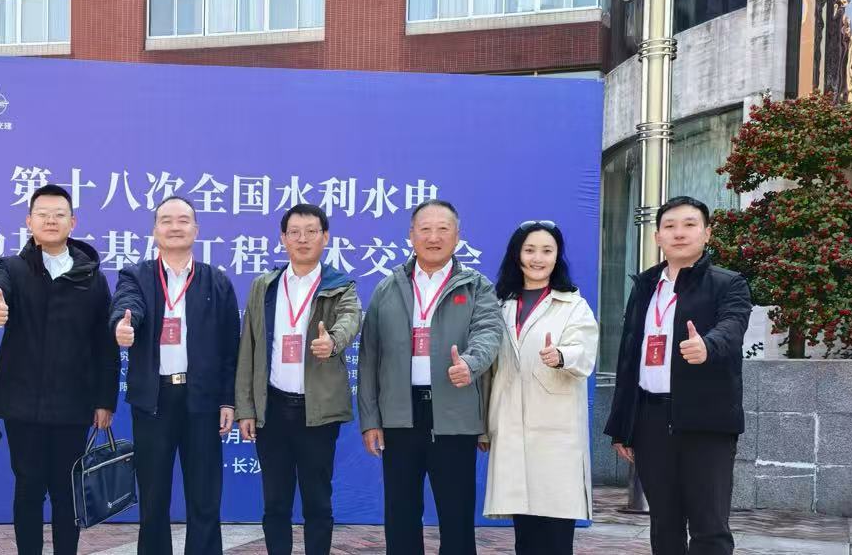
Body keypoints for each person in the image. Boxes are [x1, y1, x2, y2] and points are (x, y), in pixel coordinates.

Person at [0, 184, 120, 555]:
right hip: (23, 403)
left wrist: (105, 400)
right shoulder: (13, 268)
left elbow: (105, 343)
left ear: (73, 222)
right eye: (43, 214)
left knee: (66, 491)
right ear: (29, 221)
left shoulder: (91, 276)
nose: (51, 221)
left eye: (59, 214)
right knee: (28, 488)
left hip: (74, 404)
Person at [605, 196, 752, 555]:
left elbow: (733, 327)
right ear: (657, 236)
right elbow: (628, 357)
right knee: (664, 524)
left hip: (706, 420)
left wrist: (707, 346)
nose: (679, 233)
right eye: (669, 226)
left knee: (709, 526)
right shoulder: (645, 286)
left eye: (689, 225)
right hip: (651, 420)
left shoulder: (728, 283)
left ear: (707, 233)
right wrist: (622, 425)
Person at [357, 199, 504, 555]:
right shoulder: (388, 288)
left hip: (454, 414)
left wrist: (470, 363)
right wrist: (371, 420)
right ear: (411, 235)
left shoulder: (476, 287)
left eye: (443, 229)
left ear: (457, 235)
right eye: (425, 229)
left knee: (456, 515)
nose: (433, 237)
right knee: (401, 514)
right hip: (400, 415)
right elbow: (369, 357)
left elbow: (489, 333)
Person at [111, 196, 240, 555]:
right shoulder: (136, 276)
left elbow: (231, 347)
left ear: (196, 229)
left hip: (202, 401)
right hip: (154, 401)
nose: (175, 227)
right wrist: (123, 325)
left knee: (205, 497)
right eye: (166, 220)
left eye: (183, 220)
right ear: (155, 231)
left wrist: (228, 400)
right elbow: (127, 305)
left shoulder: (216, 281)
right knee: (153, 499)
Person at [234, 203, 360, 555]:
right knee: (275, 502)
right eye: (295, 232)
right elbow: (249, 348)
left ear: (325, 237)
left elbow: (351, 318)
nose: (303, 239)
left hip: (317, 412)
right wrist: (246, 408)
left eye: (311, 232)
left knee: (317, 501)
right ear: (283, 238)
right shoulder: (265, 286)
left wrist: (332, 340)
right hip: (273, 408)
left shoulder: (340, 285)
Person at [480, 220, 598, 555]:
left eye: (547, 250)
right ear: (516, 255)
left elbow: (584, 352)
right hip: (511, 427)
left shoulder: (572, 304)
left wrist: (561, 356)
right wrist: (484, 427)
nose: (537, 258)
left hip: (556, 432)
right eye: (529, 250)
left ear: (557, 256)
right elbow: (489, 371)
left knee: (556, 529)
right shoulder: (499, 304)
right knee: (526, 532)